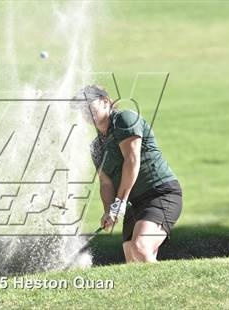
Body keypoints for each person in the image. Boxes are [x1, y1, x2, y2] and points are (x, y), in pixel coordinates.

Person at [72, 85, 182, 263]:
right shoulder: (96, 147)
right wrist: (109, 210)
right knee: (133, 258)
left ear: (106, 101)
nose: (86, 112)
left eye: (88, 106)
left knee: (140, 248)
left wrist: (119, 203)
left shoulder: (124, 118)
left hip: (160, 194)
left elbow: (132, 161)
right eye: (81, 109)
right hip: (134, 203)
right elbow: (106, 183)